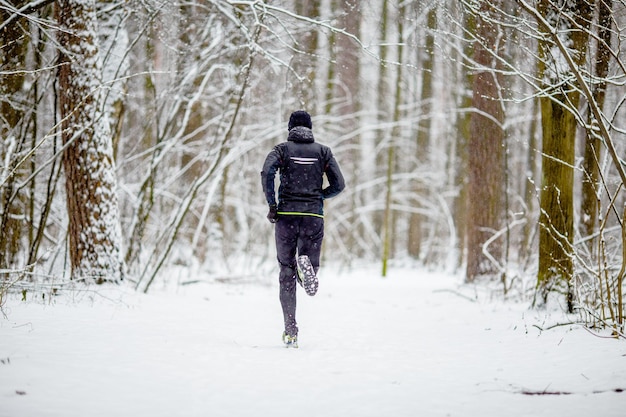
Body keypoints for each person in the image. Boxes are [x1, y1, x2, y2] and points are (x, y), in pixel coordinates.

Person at [261, 110, 345, 348]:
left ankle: (291, 330)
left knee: (285, 271)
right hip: (312, 216)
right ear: (310, 129)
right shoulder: (323, 151)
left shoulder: (281, 150)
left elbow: (267, 172)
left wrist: (272, 204)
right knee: (309, 263)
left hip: (286, 216)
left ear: (290, 129)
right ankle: (307, 268)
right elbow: (339, 184)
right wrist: (319, 195)